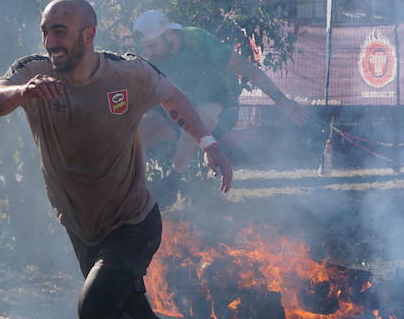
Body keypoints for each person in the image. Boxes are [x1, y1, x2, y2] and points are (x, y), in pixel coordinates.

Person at [0, 0, 229, 319]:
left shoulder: (127, 73)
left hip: (133, 221)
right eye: (46, 30)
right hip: (81, 227)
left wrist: (208, 143)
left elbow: (174, 100)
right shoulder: (33, 72)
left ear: (88, 35)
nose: (50, 41)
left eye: (60, 31)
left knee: (93, 313)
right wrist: (21, 93)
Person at [131, 10, 307, 192]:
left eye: (152, 46)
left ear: (168, 35)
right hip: (180, 112)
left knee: (201, 115)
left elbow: (248, 69)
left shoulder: (198, 41)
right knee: (136, 131)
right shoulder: (153, 60)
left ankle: (173, 182)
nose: (148, 52)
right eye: (146, 47)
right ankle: (135, 191)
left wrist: (280, 100)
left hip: (221, 108)